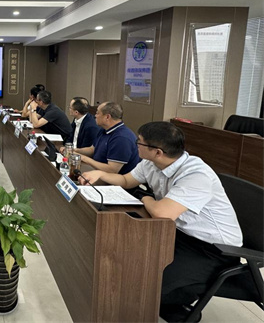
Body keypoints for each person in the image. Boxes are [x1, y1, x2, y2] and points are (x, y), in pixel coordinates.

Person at [79, 121, 242, 322]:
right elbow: (127, 181)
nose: (136, 145)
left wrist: (146, 198)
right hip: (178, 233)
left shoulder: (196, 174)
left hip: (214, 249)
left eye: (139, 142)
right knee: (131, 260)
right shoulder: (152, 163)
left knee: (149, 282)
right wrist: (100, 174)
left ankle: (174, 307)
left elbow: (161, 213)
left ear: (157, 152)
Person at [75, 101, 140, 174]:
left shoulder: (121, 138)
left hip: (113, 179)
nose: (95, 116)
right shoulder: (104, 130)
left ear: (107, 117)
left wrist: (84, 158)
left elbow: (112, 170)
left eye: (97, 113)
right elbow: (93, 149)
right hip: (98, 172)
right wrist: (75, 151)